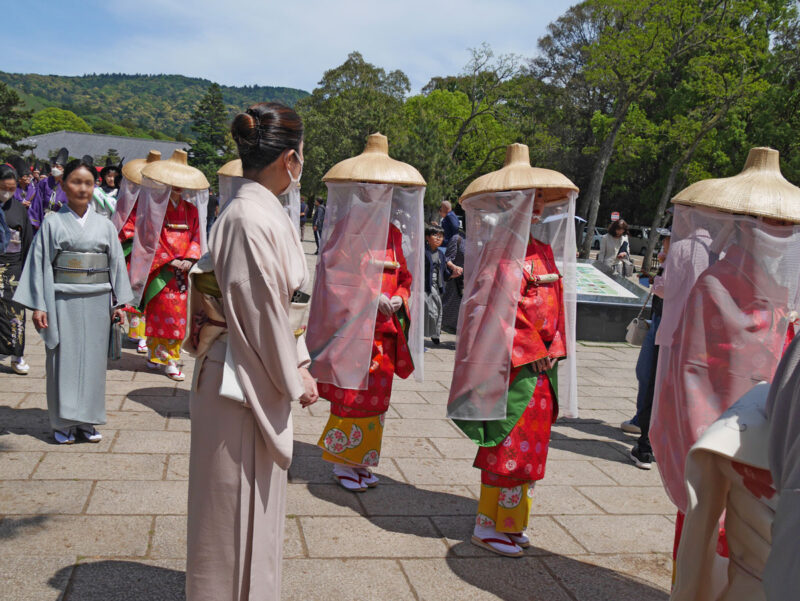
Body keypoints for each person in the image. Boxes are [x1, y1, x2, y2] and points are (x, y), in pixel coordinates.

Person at [185, 102, 317, 601]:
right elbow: (260, 316)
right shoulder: (248, 216)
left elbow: (269, 311)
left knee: (249, 506)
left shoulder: (260, 210)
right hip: (239, 375)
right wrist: (294, 374)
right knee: (229, 513)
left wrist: (296, 361)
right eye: (302, 155)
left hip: (251, 364)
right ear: (290, 159)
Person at [449, 144, 577, 558]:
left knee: (532, 446)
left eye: (540, 197)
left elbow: (556, 303)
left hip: (541, 366)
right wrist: (528, 349)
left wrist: (554, 346)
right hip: (510, 366)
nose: (536, 204)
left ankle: (513, 521)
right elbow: (490, 313)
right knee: (505, 444)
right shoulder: (498, 250)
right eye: (530, 196)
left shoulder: (542, 249)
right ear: (510, 201)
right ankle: (488, 524)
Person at [307, 132, 425, 493]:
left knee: (376, 400)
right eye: (372, 188)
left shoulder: (391, 235)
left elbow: (405, 277)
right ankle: (342, 459)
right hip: (355, 331)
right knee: (351, 395)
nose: (379, 196)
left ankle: (361, 459)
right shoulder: (346, 231)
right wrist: (368, 297)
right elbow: (334, 279)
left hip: (385, 331)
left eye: (384, 190)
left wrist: (401, 299)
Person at [13, 157, 132, 444]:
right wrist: (40, 305)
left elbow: (115, 264)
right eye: (76, 182)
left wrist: (119, 305)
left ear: (96, 186)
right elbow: (40, 264)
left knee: (93, 363)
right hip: (61, 300)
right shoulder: (53, 223)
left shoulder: (104, 225)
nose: (82, 188)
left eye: (89, 183)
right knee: (62, 361)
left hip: (98, 300)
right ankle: (63, 422)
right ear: (63, 184)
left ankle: (88, 421)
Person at [131, 150, 205, 381]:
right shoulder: (156, 209)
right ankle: (157, 355)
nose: (178, 188)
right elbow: (151, 237)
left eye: (181, 184)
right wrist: (169, 258)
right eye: (173, 183)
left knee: (178, 314)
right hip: (162, 267)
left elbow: (197, 236)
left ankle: (170, 357)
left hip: (181, 270)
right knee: (158, 311)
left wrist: (189, 258)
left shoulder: (191, 211)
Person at [0, 164, 34, 374]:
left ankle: (17, 355)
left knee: (15, 313)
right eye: (3, 187)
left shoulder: (19, 209)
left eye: (11, 189)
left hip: (13, 267)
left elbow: (27, 241)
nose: (7, 192)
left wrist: (28, 270)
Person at [31, 147, 69, 230]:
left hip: (60, 221)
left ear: (63, 170)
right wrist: (35, 221)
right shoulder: (44, 182)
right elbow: (37, 202)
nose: (55, 168)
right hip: (44, 218)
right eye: (53, 166)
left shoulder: (67, 185)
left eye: (58, 167)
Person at [424, 224, 447, 345]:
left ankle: (435, 334)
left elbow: (444, 272)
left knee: (438, 310)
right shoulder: (422, 251)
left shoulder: (441, 254)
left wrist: (454, 272)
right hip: (426, 286)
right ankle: (431, 333)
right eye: (435, 235)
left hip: (437, 286)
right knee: (431, 311)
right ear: (427, 237)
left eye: (441, 236)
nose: (438, 238)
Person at [441, 227, 465, 334]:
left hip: (472, 282)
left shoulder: (481, 239)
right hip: (456, 282)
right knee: (450, 310)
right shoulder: (458, 238)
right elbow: (447, 259)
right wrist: (455, 267)